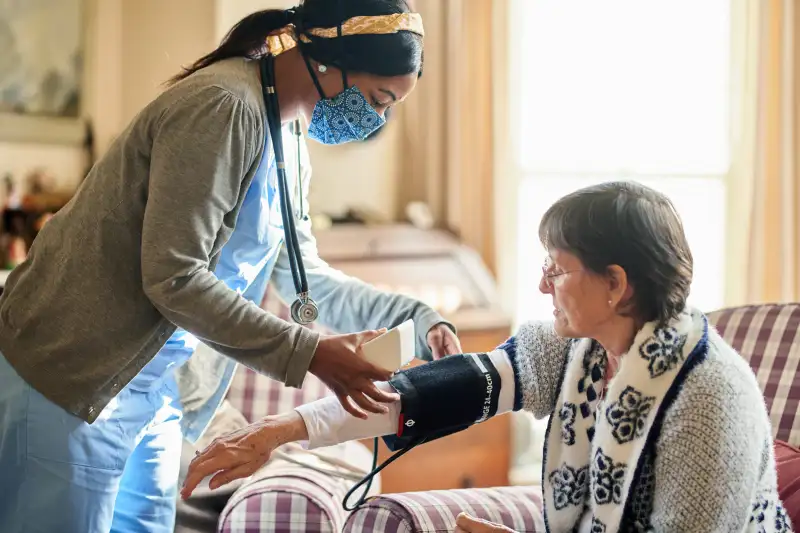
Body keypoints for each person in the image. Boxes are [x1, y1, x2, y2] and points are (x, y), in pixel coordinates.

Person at [0, 2, 463, 532]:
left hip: (154, 389)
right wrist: (311, 355)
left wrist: (419, 317)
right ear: (333, 59)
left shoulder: (288, 136)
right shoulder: (223, 106)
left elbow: (306, 280)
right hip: (77, 377)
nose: (377, 119)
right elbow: (173, 276)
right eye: (380, 100)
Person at [183, 181, 794, 533]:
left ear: (616, 284)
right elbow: (439, 391)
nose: (540, 285)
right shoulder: (576, 348)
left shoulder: (709, 397)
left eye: (556, 270)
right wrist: (281, 431)